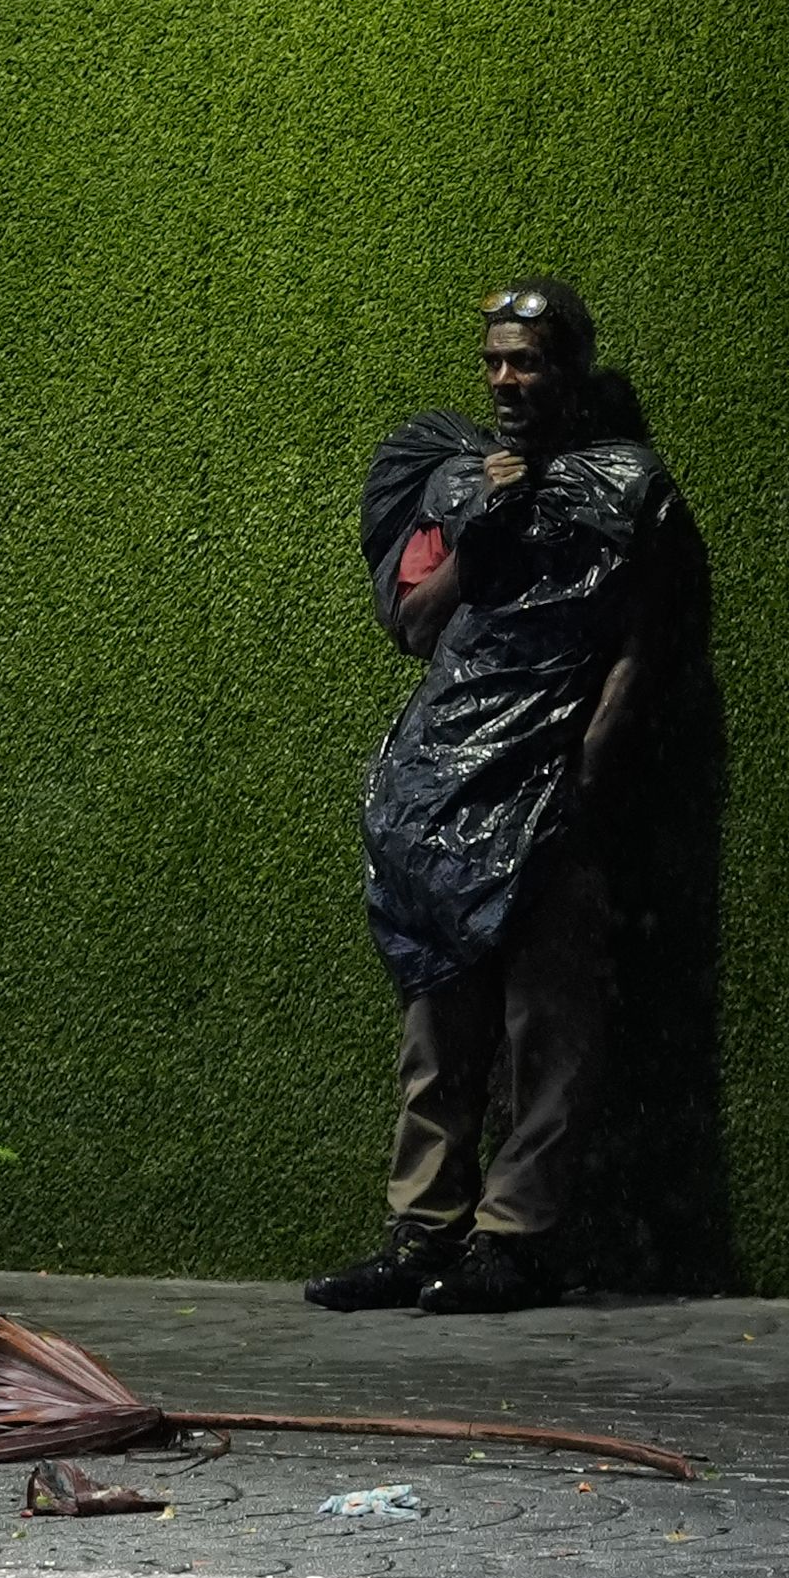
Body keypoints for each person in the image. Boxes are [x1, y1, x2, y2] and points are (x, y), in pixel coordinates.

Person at [306, 277, 685, 1316]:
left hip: (550, 785)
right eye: (493, 361)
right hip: (439, 786)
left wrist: (587, 770)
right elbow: (414, 626)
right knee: (437, 1023)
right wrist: (489, 527)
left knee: (547, 1026)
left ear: (570, 366)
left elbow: (643, 646)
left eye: (526, 359)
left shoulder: (628, 485)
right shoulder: (456, 483)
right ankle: (420, 1231)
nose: (507, 378)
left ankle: (512, 1240)